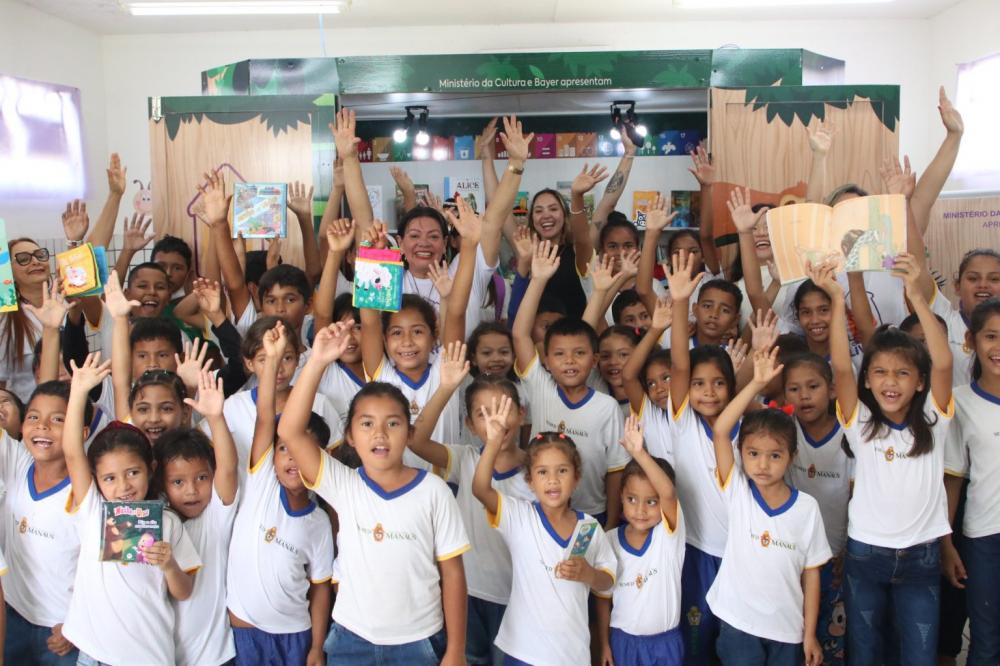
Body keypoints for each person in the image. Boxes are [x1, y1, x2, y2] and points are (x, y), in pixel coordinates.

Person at [277, 321, 470, 665]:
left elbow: (453, 573)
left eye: (393, 423)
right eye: (366, 424)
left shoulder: (434, 491)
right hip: (351, 639)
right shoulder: (344, 484)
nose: (380, 434)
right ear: (349, 436)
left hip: (419, 641)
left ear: (409, 433)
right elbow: (290, 429)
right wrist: (318, 362)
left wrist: (455, 650)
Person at [812, 254, 953, 666]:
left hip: (922, 556)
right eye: (880, 373)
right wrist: (836, 301)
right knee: (865, 651)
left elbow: (943, 361)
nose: (890, 382)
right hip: (866, 555)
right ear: (868, 380)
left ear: (921, 381)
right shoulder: (861, 422)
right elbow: (840, 366)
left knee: (919, 655)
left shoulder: (933, 417)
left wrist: (917, 298)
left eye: (903, 373)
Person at [61, 353, 201, 666]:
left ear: (151, 470)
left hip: (147, 655)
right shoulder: (94, 510)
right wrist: (78, 392)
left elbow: (184, 591)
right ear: (96, 480)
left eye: (133, 473)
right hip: (92, 655)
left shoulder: (166, 522)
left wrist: (169, 566)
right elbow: (72, 453)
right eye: (109, 478)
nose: (123, 485)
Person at [408, 343, 535, 666]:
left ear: (521, 414)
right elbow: (417, 440)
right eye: (483, 413)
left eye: (503, 409)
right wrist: (447, 387)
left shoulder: (540, 471)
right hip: (469, 592)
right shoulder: (465, 459)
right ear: (469, 425)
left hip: (519, 597)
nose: (495, 421)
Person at [706, 347, 830, 666]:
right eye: (753, 454)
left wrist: (810, 632)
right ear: (741, 453)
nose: (762, 465)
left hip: (787, 629)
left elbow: (812, 575)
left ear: (792, 457)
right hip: (738, 623)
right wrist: (756, 383)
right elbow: (721, 430)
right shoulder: (738, 491)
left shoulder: (807, 508)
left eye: (775, 455)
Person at [472, 403, 616, 666]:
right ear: (530, 481)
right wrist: (493, 442)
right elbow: (481, 489)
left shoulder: (589, 527)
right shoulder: (520, 517)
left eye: (562, 471)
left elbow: (607, 582)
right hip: (522, 652)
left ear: (577, 477)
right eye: (542, 472)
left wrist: (589, 574)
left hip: (571, 655)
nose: (553, 480)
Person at [225, 321, 333, 666]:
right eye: (283, 450)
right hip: (245, 632)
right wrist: (270, 362)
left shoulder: (318, 523)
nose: (292, 459)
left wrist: (316, 646)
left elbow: (319, 589)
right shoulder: (260, 486)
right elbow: (264, 420)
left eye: (301, 451)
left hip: (296, 636)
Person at [512, 238, 627, 527]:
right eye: (560, 355)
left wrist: (611, 524)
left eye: (579, 353)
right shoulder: (540, 387)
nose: (570, 361)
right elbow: (519, 335)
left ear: (594, 360)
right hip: (541, 510)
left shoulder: (607, 406)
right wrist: (537, 279)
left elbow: (615, 471)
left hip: (593, 514)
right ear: (546, 361)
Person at [665, 250, 741, 664]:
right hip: (695, 551)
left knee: (733, 647)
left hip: (741, 553)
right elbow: (678, 361)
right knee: (695, 645)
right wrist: (679, 303)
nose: (708, 392)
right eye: (698, 384)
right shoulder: (684, 422)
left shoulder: (743, 430)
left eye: (718, 384)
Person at [0, 380, 93, 665]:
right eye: (34, 417)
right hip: (13, 615)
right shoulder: (17, 461)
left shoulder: (87, 487)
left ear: (82, 431)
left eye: (58, 419)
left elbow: (101, 567)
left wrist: (77, 623)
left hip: (62, 629)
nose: (42, 426)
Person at [153, 369, 239, 666]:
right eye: (178, 482)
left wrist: (216, 418)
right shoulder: (156, 520)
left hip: (215, 656)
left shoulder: (216, 515)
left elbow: (228, 469)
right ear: (162, 484)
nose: (191, 490)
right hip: (160, 656)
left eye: (201, 478)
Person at [782, 352, 853, 665]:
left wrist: (848, 549)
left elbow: (857, 498)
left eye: (813, 386)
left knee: (830, 642)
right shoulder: (782, 432)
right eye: (794, 389)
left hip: (836, 557)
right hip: (792, 558)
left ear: (833, 389)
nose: (804, 396)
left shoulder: (850, 436)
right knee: (794, 638)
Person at [596, 416, 685, 666]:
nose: (641, 510)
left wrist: (639, 454)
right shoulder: (610, 540)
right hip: (623, 641)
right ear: (621, 497)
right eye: (632, 499)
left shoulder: (669, 535)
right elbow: (604, 599)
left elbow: (668, 492)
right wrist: (604, 643)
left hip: (664, 643)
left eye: (652, 502)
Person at [943, 297, 1000, 665]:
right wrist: (946, 545)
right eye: (991, 336)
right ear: (971, 340)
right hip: (984, 538)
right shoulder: (959, 403)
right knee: (986, 640)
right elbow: (953, 482)